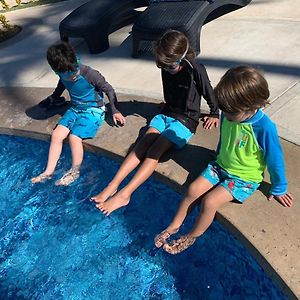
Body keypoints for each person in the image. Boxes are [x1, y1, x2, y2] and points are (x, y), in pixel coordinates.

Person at [154, 65, 294, 255]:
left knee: (210, 202)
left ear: (251, 106)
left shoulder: (264, 127)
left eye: (229, 112)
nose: (225, 115)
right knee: (193, 189)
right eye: (223, 110)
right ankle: (174, 225)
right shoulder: (230, 112)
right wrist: (220, 154)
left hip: (243, 178)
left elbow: (275, 159)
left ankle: (191, 236)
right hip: (220, 166)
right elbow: (225, 137)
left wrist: (279, 187)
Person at [91, 30, 219, 215]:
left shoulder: (195, 69)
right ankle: (113, 185)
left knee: (155, 150)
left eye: (170, 66)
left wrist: (215, 113)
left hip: (186, 120)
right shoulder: (166, 66)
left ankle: (124, 194)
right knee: (141, 144)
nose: (166, 69)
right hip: (167, 113)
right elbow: (170, 87)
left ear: (181, 57)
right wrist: (168, 102)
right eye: (163, 66)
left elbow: (208, 91)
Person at [31, 42, 126, 186]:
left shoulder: (89, 73)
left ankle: (75, 171)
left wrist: (115, 110)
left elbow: (109, 89)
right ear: (56, 71)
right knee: (56, 135)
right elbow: (62, 85)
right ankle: (48, 172)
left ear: (75, 62)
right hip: (75, 108)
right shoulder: (63, 71)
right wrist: (53, 97)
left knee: (74, 138)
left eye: (74, 72)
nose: (72, 77)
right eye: (66, 75)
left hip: (94, 110)